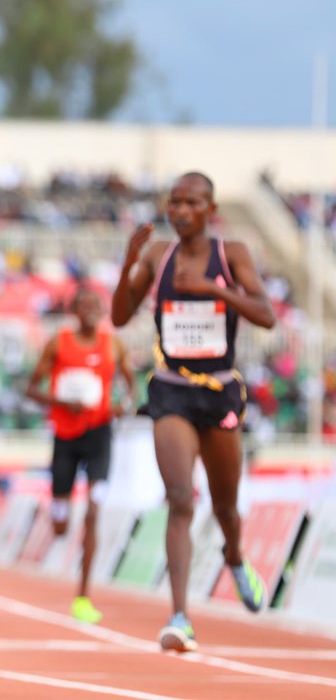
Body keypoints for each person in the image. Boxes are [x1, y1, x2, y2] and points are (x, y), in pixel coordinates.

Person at [110, 171, 276, 652]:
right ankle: (180, 616)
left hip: (220, 390)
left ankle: (236, 556)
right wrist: (127, 264)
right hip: (171, 390)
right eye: (174, 202)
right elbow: (120, 316)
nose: (181, 211)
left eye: (192, 203)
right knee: (180, 498)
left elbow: (265, 315)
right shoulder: (158, 256)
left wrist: (213, 290)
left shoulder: (232, 254)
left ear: (211, 208)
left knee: (225, 505)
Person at [24, 286, 136, 624]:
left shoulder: (113, 345)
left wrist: (123, 406)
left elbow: (132, 384)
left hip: (99, 434)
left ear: (101, 312)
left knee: (93, 511)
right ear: (74, 311)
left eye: (95, 306)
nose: (89, 311)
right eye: (83, 306)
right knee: (62, 522)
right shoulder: (58, 343)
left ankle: (83, 594)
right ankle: (58, 519)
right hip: (65, 437)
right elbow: (32, 388)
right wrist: (60, 402)